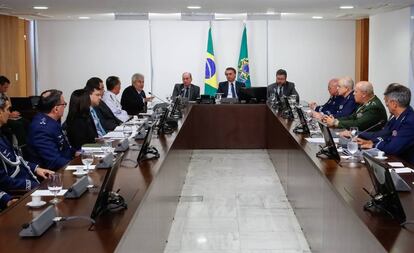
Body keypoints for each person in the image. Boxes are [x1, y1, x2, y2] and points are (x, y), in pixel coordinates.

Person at [0, 94, 54, 192]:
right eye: (8, 109)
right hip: (18, 191)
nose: (9, 113)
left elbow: (16, 159)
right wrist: (36, 186)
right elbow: (4, 181)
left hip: (26, 179)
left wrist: (36, 169)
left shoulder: (3, 135)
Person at [355, 84, 414, 163]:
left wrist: (373, 145)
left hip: (407, 167)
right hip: (394, 160)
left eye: (386, 101)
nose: (386, 104)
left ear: (394, 104)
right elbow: (385, 135)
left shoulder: (410, 121)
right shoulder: (397, 117)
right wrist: (371, 142)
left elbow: (393, 147)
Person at [27, 89, 75, 170]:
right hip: (52, 175)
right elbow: (54, 162)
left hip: (65, 164)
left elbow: (64, 147)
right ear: (56, 109)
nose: (64, 107)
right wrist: (77, 165)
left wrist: (78, 153)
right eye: (64, 104)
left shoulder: (51, 122)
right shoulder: (41, 129)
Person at [0, 75, 28, 146]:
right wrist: (10, 115)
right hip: (2, 119)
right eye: (5, 87)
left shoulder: (4, 95)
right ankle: (22, 146)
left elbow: (7, 108)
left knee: (25, 121)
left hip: (7, 116)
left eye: (7, 87)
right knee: (18, 125)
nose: (6, 89)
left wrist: (12, 113)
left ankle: (29, 142)